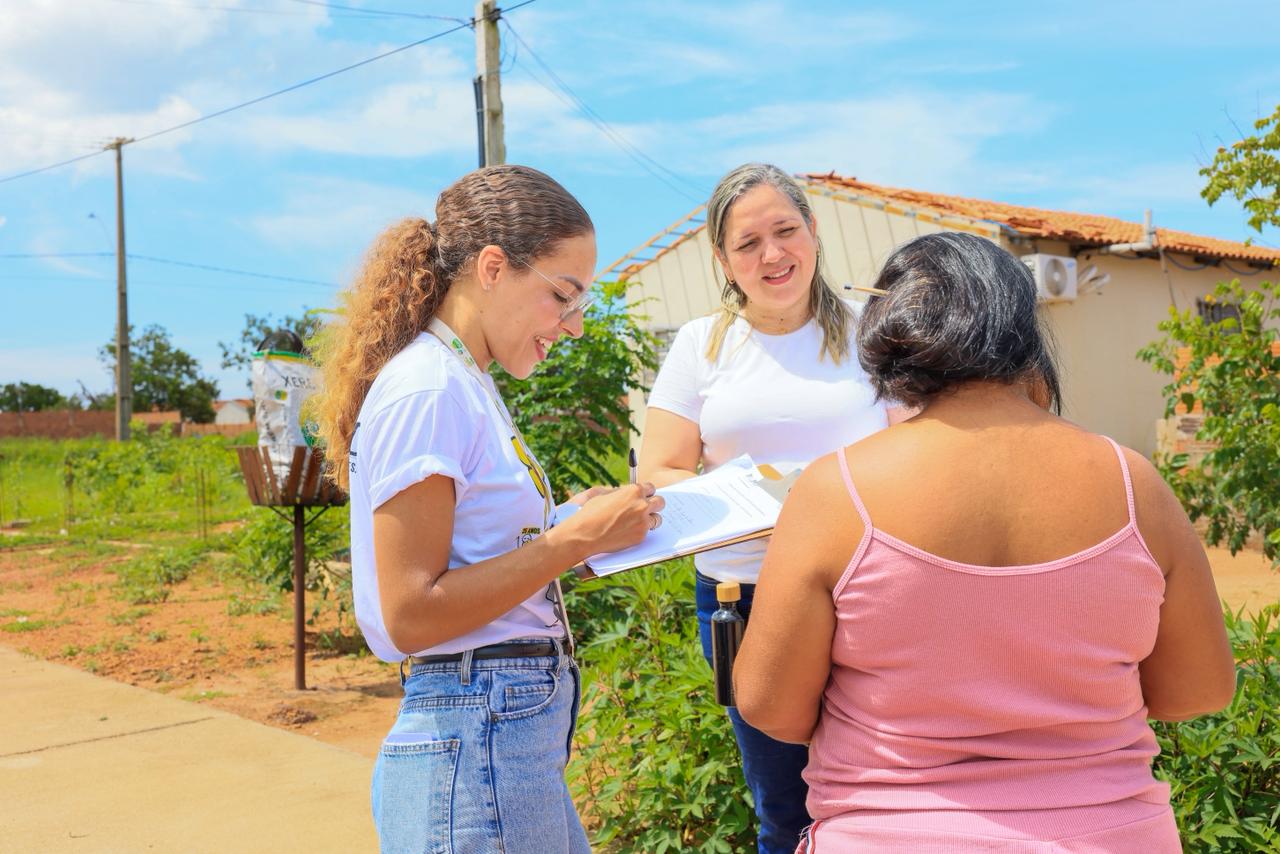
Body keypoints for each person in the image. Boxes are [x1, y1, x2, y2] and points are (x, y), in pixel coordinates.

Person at [734, 231, 1237, 852]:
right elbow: (1200, 690)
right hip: (1110, 832)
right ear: (1023, 333)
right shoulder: (1134, 484)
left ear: (891, 335)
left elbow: (767, 705)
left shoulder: (836, 492)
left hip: (893, 833)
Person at [314, 165, 664, 853]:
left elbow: (468, 550)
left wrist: (567, 523)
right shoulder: (428, 389)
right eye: (563, 296)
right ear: (494, 267)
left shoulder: (461, 381)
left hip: (497, 734)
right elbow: (411, 611)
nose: (574, 325)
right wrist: (571, 543)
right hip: (476, 735)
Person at [637, 162, 893, 854]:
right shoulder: (700, 345)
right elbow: (659, 469)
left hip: (867, 595)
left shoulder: (877, 334)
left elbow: (917, 452)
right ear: (721, 259)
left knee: (883, 794)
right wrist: (767, 497)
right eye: (748, 243)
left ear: (813, 231)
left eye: (785, 230)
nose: (772, 254)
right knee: (784, 808)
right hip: (742, 601)